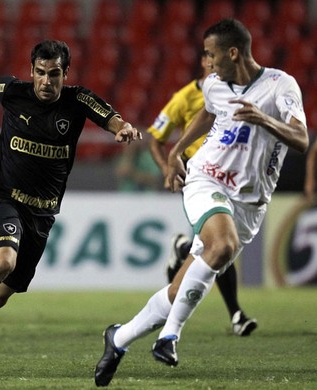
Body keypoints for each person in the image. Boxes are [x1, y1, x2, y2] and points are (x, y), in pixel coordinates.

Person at [95, 18, 308, 387]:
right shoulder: (213, 84)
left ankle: (119, 338)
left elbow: (302, 138)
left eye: (211, 55)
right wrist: (177, 150)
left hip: (250, 203)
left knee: (179, 290)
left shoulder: (280, 85)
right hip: (206, 178)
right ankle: (169, 338)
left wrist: (263, 119)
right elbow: (206, 111)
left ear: (233, 52)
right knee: (221, 245)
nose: (205, 63)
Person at [0, 39, 141, 377]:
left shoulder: (78, 100)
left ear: (65, 74)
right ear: (31, 71)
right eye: (40, 73)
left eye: (54, 74)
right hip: (3, 198)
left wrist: (122, 128)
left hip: (42, 213)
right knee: (2, 260)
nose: (46, 81)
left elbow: (110, 117)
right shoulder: (13, 90)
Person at [148, 52, 257, 336]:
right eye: (210, 59)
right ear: (204, 63)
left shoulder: (235, 93)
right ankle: (236, 314)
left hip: (230, 178)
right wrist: (167, 168)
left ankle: (182, 249)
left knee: (214, 247)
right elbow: (156, 138)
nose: (214, 65)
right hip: (200, 178)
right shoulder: (184, 97)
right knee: (220, 245)